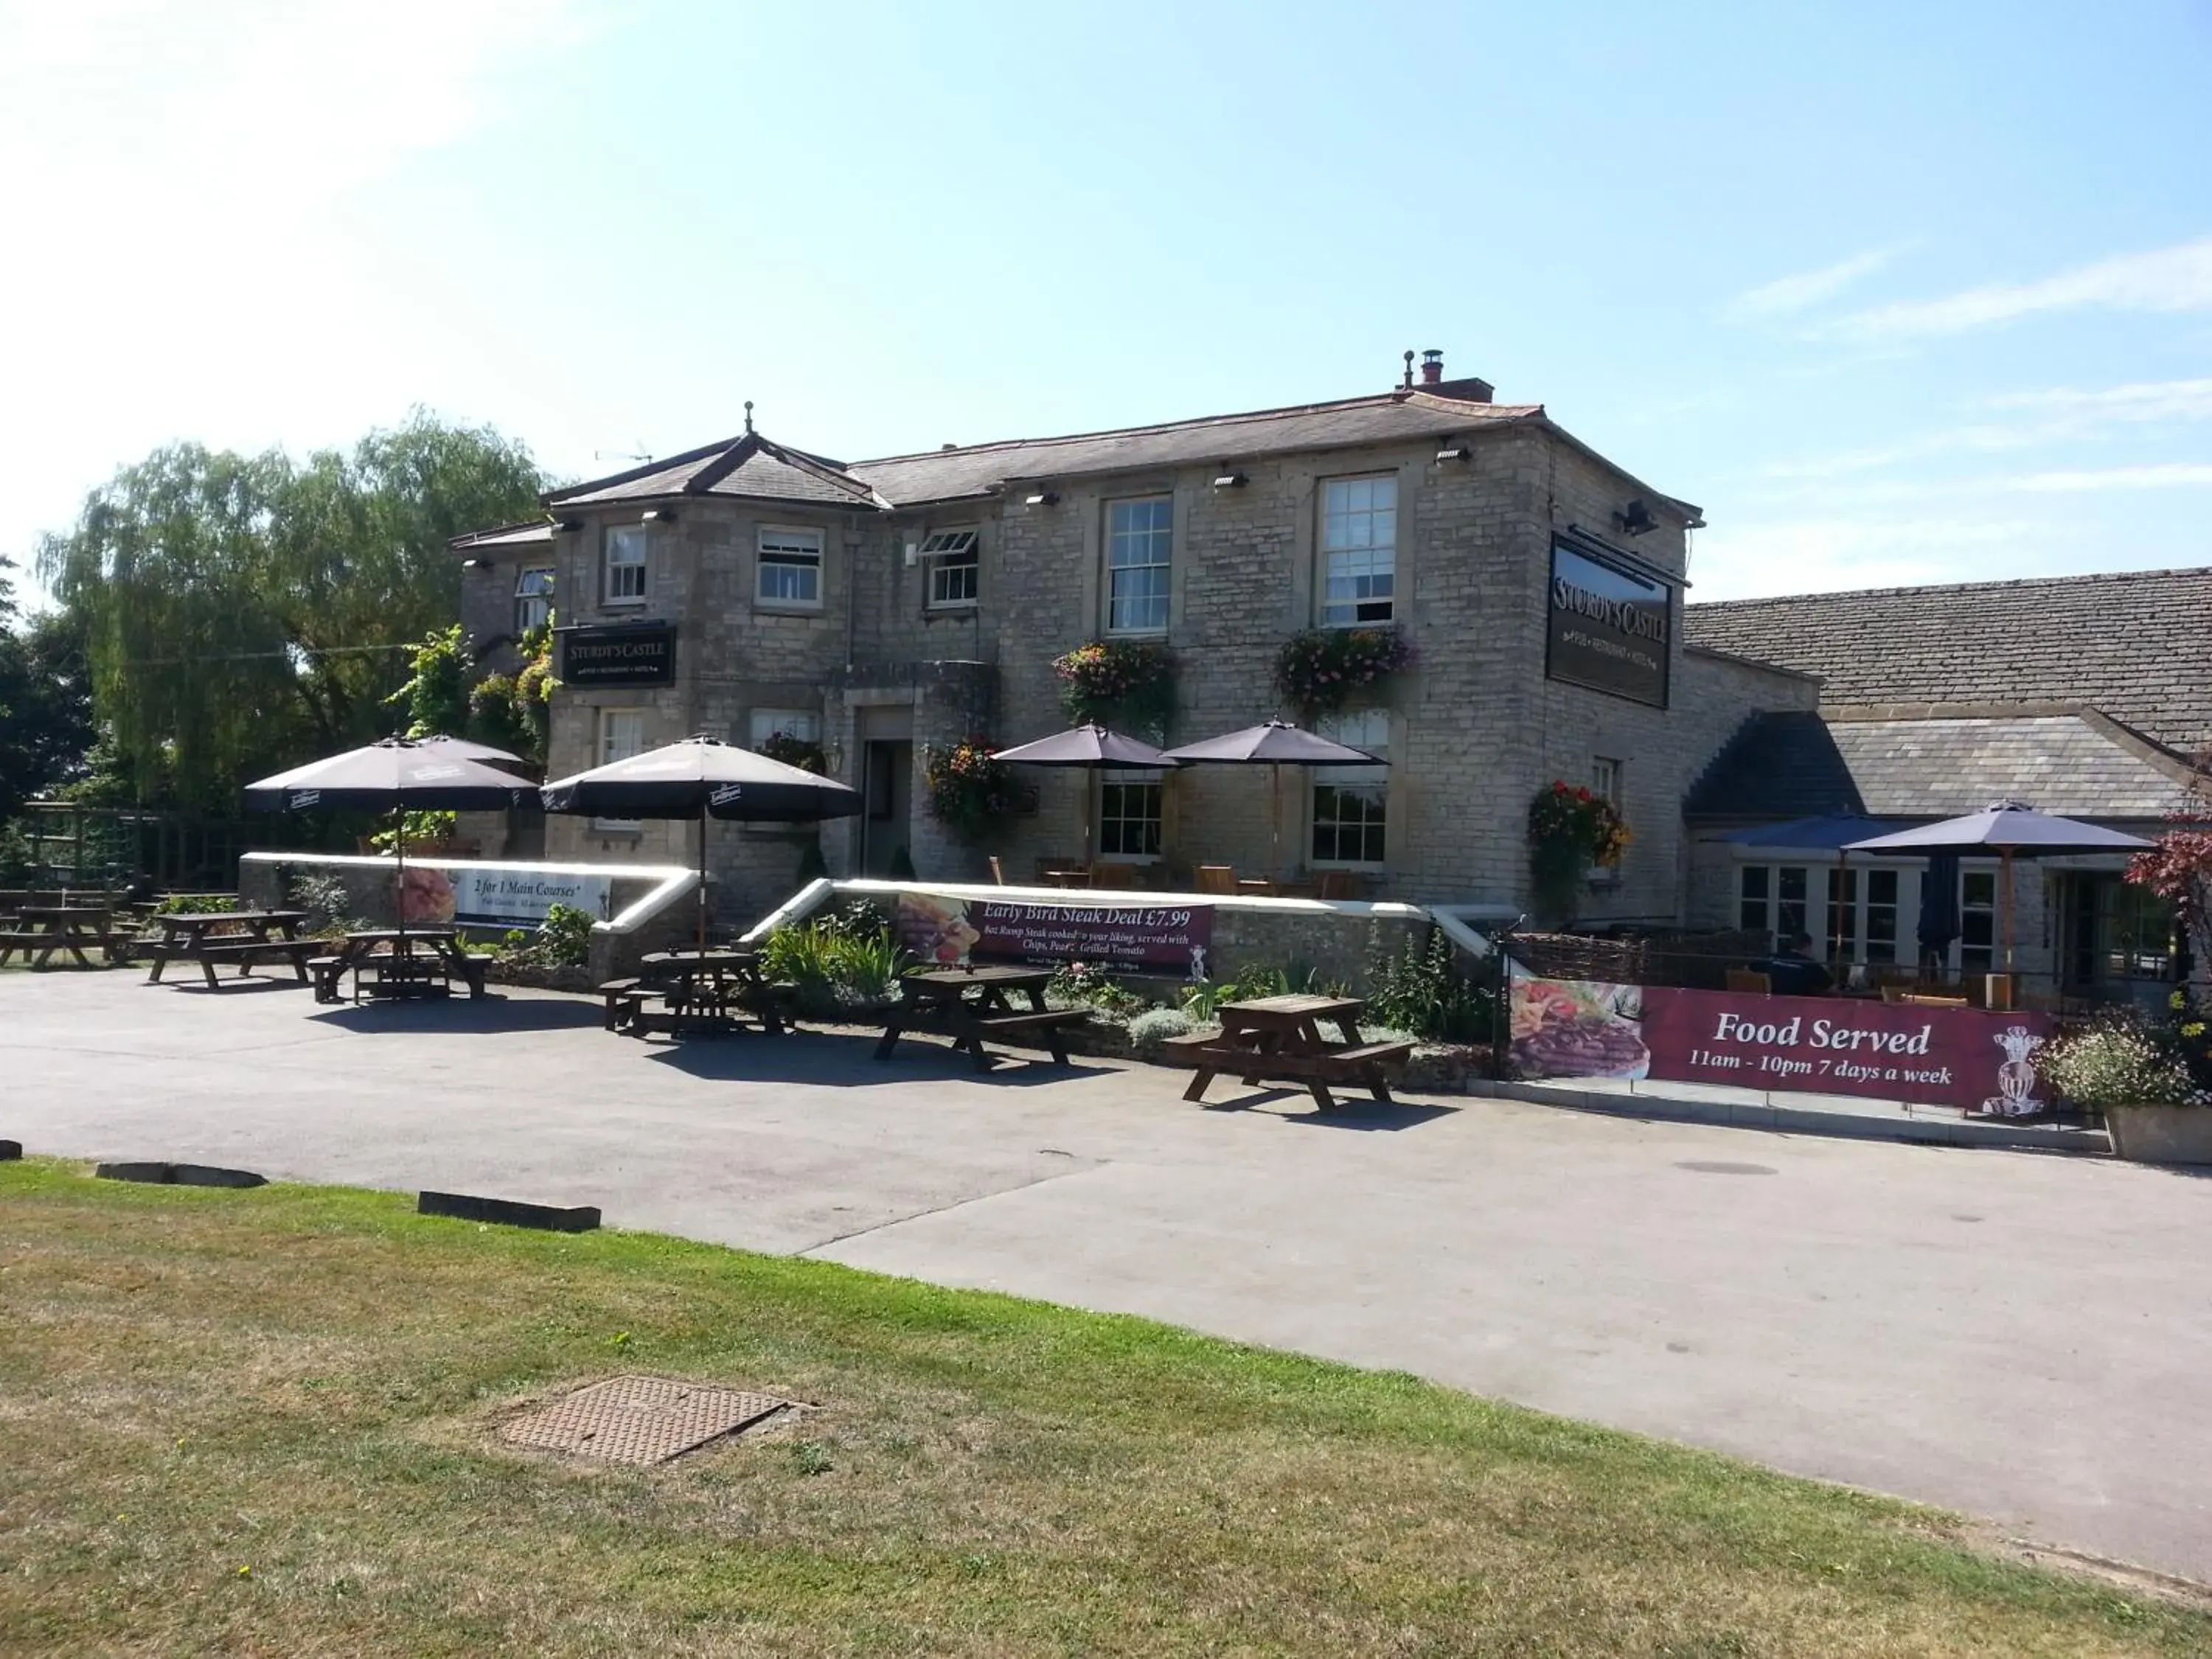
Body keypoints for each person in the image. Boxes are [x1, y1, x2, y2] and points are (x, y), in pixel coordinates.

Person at [1765, 931, 1834, 996]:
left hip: (1774, 1002)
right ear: (1807, 946)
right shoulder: (1809, 965)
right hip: (1800, 1004)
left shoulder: (1775, 959)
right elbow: (1832, 989)